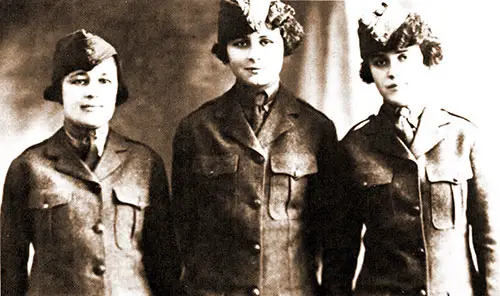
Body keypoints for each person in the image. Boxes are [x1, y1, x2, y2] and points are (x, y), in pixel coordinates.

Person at [322, 1, 500, 295]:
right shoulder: (354, 147)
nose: (393, 72)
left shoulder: (463, 138)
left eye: (403, 57)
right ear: (369, 70)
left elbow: (491, 240)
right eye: (381, 62)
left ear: (425, 59)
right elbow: (340, 252)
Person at [171, 0, 339, 295]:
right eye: (240, 43)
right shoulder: (196, 129)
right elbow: (183, 233)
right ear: (225, 51)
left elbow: (334, 237)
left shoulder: (317, 129)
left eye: (265, 42)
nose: (254, 55)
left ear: (284, 46)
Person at [1, 29, 179, 296]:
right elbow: (9, 269)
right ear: (60, 91)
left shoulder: (145, 163)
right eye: (79, 81)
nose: (92, 92)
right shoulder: (28, 166)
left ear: (117, 90)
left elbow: (164, 266)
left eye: (104, 81)